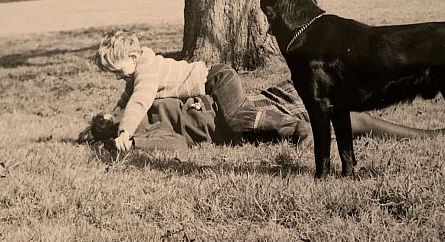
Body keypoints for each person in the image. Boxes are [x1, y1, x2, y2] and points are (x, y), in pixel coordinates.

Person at [92, 29, 312, 152]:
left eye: (117, 70)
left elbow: (139, 101)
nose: (118, 76)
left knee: (238, 117)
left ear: (132, 58)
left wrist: (125, 133)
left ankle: (294, 127)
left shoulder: (146, 72)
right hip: (212, 85)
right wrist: (114, 113)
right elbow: (126, 99)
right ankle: (291, 117)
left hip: (216, 80)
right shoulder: (134, 74)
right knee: (243, 115)